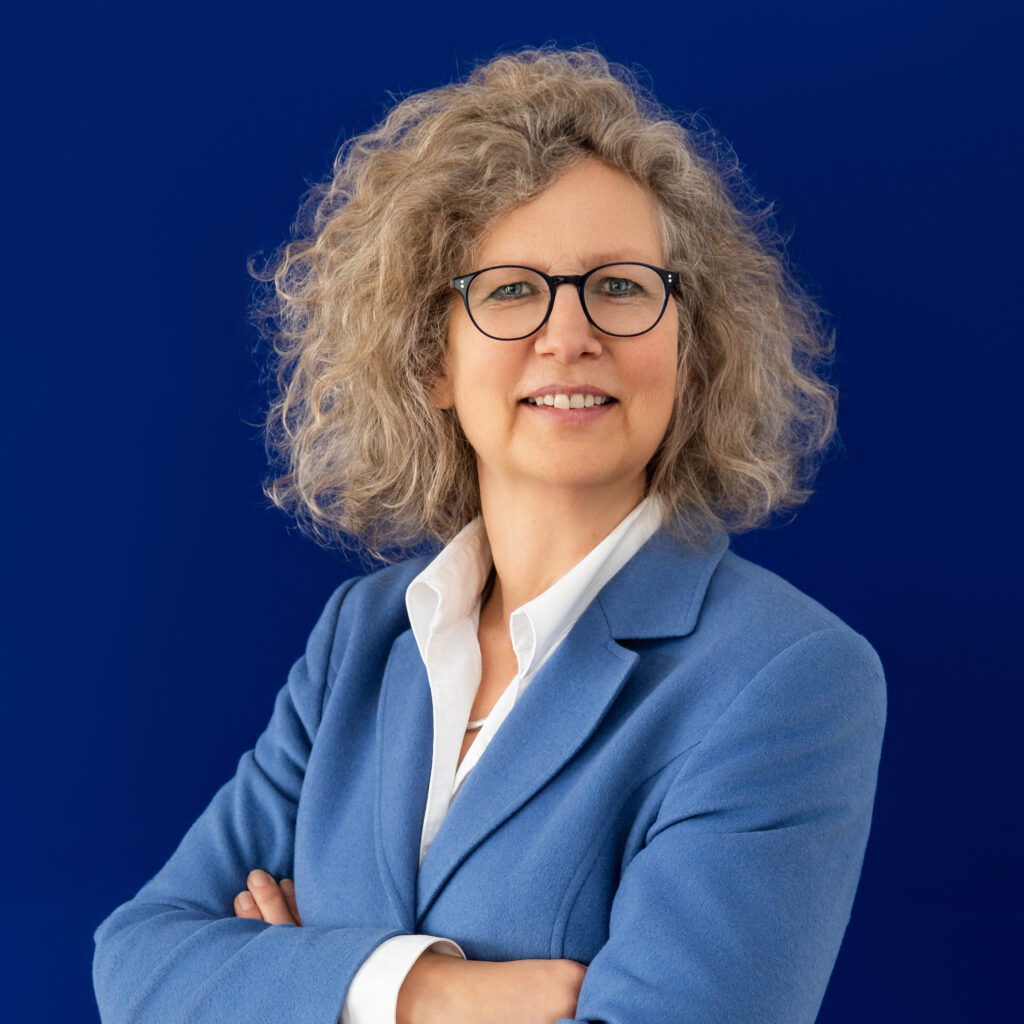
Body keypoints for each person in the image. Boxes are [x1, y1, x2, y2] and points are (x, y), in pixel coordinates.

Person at [93, 48, 885, 1024]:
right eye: (510, 290)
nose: (569, 334)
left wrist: (297, 980)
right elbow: (136, 960)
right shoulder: (362, 637)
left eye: (621, 286)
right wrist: (421, 990)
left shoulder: (789, 676)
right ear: (431, 357)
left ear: (690, 343)